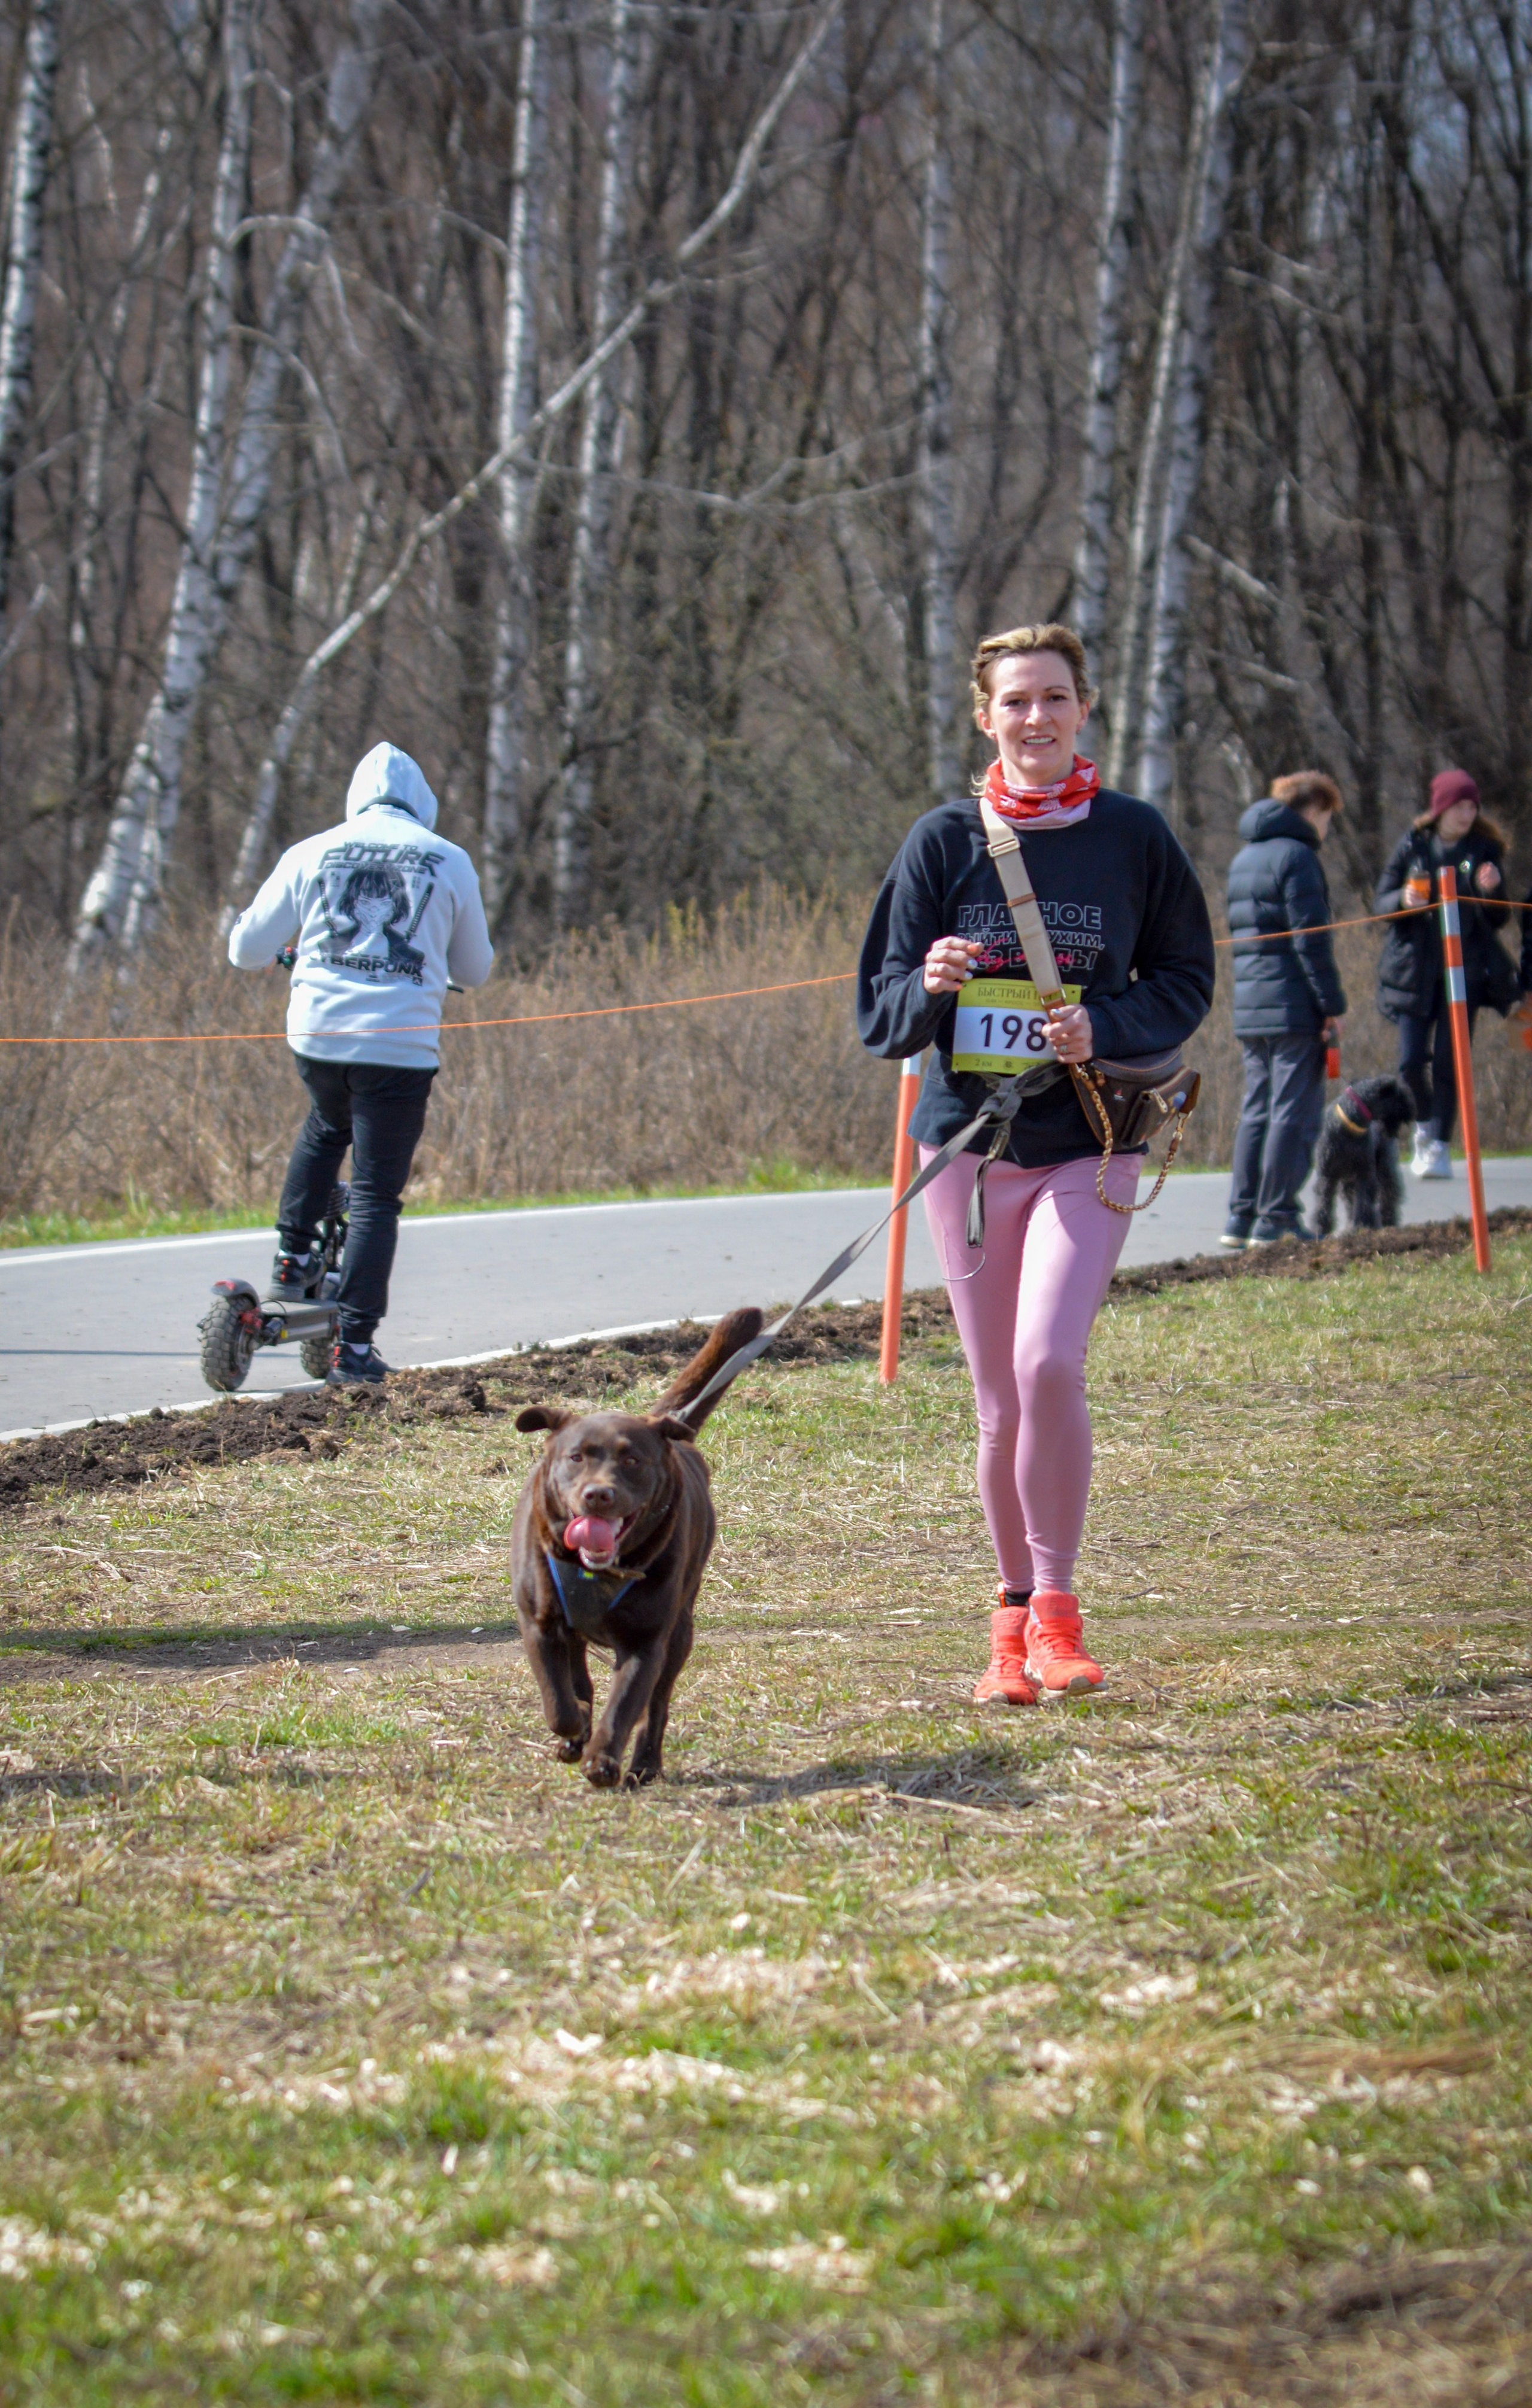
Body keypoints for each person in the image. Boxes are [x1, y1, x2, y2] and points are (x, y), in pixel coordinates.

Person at [858, 623, 1214, 1706]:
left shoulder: (1134, 837)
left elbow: (1188, 981)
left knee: (1051, 1360)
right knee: (997, 1398)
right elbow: (881, 1016)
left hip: (1093, 1138)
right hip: (970, 1149)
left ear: (1084, 710)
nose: (1037, 719)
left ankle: (1061, 1613)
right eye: (1016, 701)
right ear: (986, 717)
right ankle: (1010, 1623)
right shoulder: (941, 842)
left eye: (1055, 698)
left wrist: (1097, 1028)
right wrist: (935, 983)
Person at [228, 743, 494, 1384]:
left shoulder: (311, 851)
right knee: (375, 1194)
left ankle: (293, 1258)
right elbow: (475, 970)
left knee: (326, 1124)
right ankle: (353, 1348)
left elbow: (245, 950)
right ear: (423, 804)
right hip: (400, 1050)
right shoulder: (449, 859)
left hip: (319, 1037)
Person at [1221, 771, 1346, 1249]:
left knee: (1257, 1109)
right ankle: (1277, 1218)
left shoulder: (1243, 857)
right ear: (1314, 809)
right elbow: (1311, 941)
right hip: (1293, 1003)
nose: (1328, 827)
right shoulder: (1299, 856)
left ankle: (1240, 1217)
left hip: (1251, 1003)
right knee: (1292, 1112)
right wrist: (1331, 1005)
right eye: (1329, 817)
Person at [1374, 769, 1515, 1180]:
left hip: (1463, 973)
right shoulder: (1413, 845)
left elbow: (1499, 918)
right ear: (1440, 808)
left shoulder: (1484, 849)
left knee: (1452, 1063)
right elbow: (1382, 903)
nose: (1467, 814)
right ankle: (1422, 1126)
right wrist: (1403, 898)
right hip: (1413, 972)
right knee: (1411, 1062)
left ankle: (1439, 1144)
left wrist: (1493, 890)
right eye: (1459, 806)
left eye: (1473, 806)